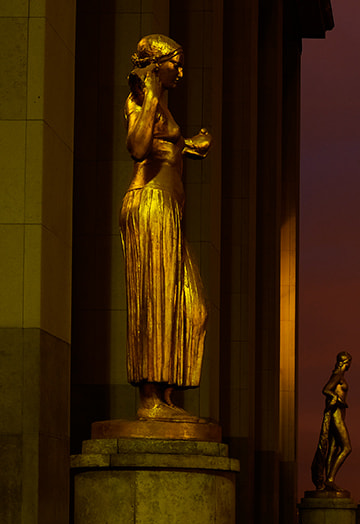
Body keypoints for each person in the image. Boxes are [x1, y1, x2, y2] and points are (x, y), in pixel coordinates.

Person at [119, 34, 211, 420]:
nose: (182, 71)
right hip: (150, 204)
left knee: (193, 308)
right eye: (176, 62)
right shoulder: (141, 99)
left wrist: (190, 144)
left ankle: (166, 393)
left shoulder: (162, 109)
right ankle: (149, 399)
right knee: (155, 297)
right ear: (158, 65)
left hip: (169, 210)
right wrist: (153, 91)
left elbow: (164, 148)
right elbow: (138, 148)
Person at [311, 352, 353, 491]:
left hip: (339, 413)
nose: (349, 365)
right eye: (348, 362)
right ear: (344, 362)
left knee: (333, 448)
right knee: (347, 448)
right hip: (336, 414)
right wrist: (338, 399)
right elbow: (326, 389)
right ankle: (329, 478)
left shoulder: (339, 376)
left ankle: (329, 480)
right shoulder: (338, 376)